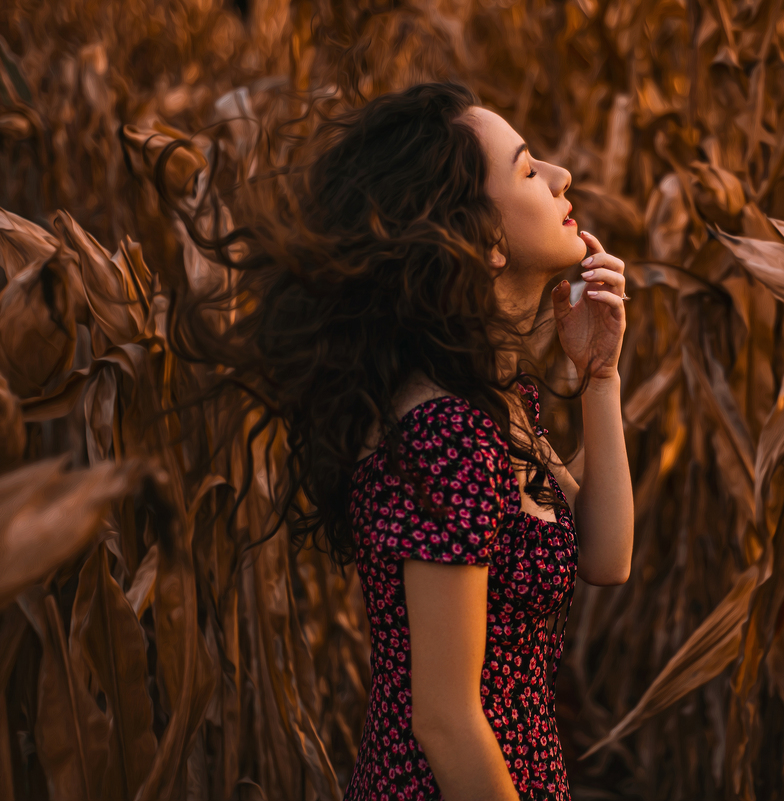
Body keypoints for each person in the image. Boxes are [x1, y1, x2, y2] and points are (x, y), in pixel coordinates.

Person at [170, 81, 634, 799]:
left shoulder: (493, 403)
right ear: (485, 243)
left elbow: (605, 555)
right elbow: (445, 721)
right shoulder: (445, 435)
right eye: (527, 169)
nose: (561, 176)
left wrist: (600, 374)